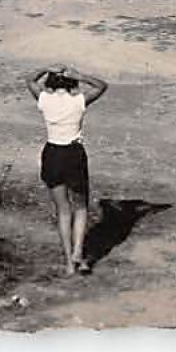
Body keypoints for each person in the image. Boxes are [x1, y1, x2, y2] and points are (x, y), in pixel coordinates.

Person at [26, 67, 109, 275]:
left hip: (52, 153)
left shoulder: (44, 99)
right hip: (73, 154)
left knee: (63, 210)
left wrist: (45, 68)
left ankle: (69, 264)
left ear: (50, 84)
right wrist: (80, 75)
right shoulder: (78, 101)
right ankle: (78, 251)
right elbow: (102, 86)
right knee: (80, 207)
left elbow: (29, 79)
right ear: (72, 84)